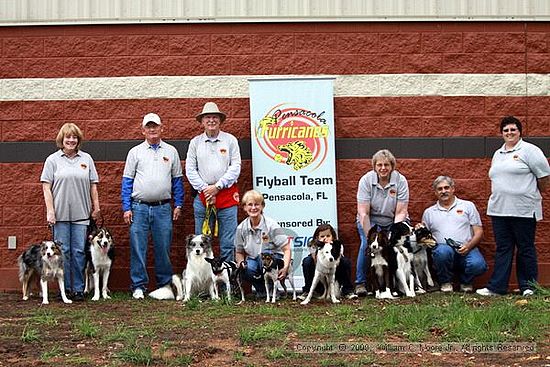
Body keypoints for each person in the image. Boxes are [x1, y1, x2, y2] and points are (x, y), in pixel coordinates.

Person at [477, 116, 550, 297]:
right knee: (503, 248)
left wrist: (531, 194)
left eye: (513, 129)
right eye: (506, 130)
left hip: (523, 209)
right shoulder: (498, 153)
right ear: (502, 133)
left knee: (525, 248)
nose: (509, 133)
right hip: (499, 209)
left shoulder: (530, 151)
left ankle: (528, 287)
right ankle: (497, 287)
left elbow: (544, 177)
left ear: (520, 131)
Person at [121, 112, 184, 300]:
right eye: (148, 127)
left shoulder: (171, 151)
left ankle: (164, 285)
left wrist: (178, 204)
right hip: (139, 207)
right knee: (138, 247)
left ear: (161, 128)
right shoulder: (135, 152)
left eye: (155, 126)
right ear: (143, 130)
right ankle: (138, 286)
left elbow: (177, 181)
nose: (152, 129)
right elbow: (127, 182)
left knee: (163, 247)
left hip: (163, 207)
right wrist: (126, 207)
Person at [41, 123, 101, 302]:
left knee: (79, 252)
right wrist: (50, 211)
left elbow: (93, 186)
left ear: (78, 140)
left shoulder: (87, 159)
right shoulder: (52, 160)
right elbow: (46, 187)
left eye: (74, 137)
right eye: (68, 137)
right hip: (59, 216)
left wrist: (96, 207)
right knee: (63, 252)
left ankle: (78, 289)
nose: (71, 140)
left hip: (81, 215)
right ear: (62, 139)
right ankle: (65, 290)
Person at [186, 102, 241, 262]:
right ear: (202, 121)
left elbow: (236, 166)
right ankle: (204, 281)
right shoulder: (195, 142)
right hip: (203, 198)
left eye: (214, 117)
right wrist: (206, 189)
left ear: (220, 120)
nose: (211, 120)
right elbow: (190, 169)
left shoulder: (230, 140)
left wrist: (217, 187)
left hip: (227, 197)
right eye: (207, 117)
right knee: (201, 243)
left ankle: (227, 280)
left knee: (228, 243)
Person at [354, 149, 409, 296]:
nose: (383, 168)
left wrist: (393, 234)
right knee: (367, 246)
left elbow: (401, 212)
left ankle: (404, 283)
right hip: (371, 219)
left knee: (396, 246)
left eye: (386, 165)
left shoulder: (400, 181)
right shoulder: (366, 180)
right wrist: (369, 236)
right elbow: (363, 213)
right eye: (379, 165)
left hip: (394, 219)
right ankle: (360, 283)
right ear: (374, 166)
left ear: (392, 166)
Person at [421, 176, 487, 292]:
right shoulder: (429, 212)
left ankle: (466, 282)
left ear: (453, 189)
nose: (443, 191)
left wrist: (469, 246)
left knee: (478, 264)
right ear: (435, 193)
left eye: (446, 188)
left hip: (467, 248)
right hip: (442, 251)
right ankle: (445, 282)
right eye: (440, 189)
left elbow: (479, 231)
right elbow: (425, 237)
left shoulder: (468, 206)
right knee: (442, 252)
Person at [235, 190, 291, 298]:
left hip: (272, 258)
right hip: (253, 260)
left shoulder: (271, 225)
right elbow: (239, 252)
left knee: (264, 258)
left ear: (262, 206)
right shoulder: (240, 228)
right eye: (250, 204)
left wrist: (285, 267)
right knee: (247, 268)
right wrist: (241, 262)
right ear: (244, 208)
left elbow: (286, 248)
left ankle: (271, 290)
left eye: (257, 204)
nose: (253, 208)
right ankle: (262, 290)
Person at [299, 224, 358, 300]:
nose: (325, 238)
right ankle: (308, 290)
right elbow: (315, 260)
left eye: (328, 236)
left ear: (333, 236)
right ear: (317, 238)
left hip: (334, 270)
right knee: (307, 261)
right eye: (322, 237)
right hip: (319, 270)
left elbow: (338, 260)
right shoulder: (313, 246)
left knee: (345, 261)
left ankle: (347, 290)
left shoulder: (337, 246)